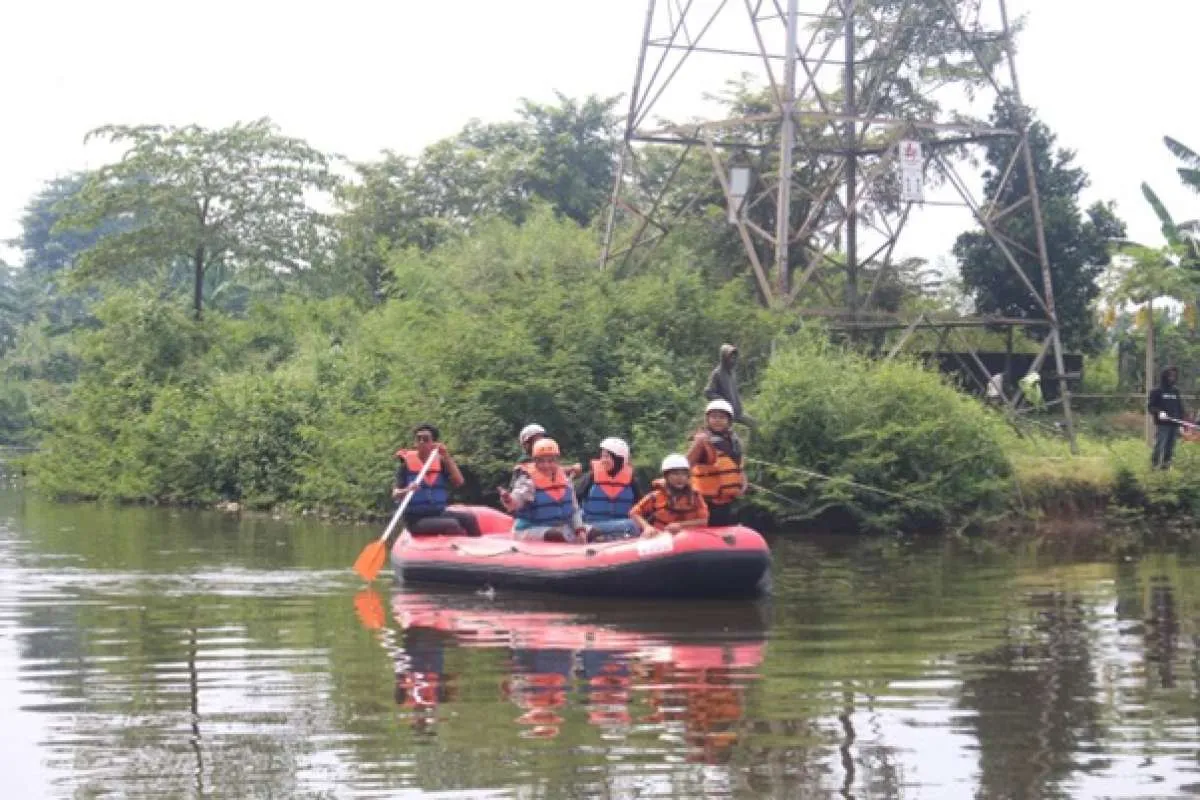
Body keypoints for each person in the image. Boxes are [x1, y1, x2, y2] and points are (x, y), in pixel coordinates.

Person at [393, 423, 481, 536]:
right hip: (416, 520)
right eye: (418, 439)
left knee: (469, 519)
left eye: (425, 439)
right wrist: (406, 490)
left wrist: (446, 455)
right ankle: (458, 550)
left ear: (433, 443)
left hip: (438, 513)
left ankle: (478, 549)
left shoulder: (441, 463)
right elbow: (395, 494)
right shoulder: (405, 466)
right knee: (452, 524)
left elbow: (459, 481)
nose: (421, 442)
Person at [499, 438, 587, 542]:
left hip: (561, 527)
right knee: (555, 535)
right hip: (530, 529)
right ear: (535, 461)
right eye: (541, 461)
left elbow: (574, 510)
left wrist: (579, 529)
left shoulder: (566, 481)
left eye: (550, 461)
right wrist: (508, 499)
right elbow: (517, 500)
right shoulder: (528, 481)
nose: (546, 465)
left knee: (593, 532)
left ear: (557, 461)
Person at [686, 399, 747, 527]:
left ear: (729, 421)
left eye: (722, 417)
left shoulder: (734, 441)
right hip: (706, 501)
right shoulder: (702, 440)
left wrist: (743, 483)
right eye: (714, 417)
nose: (717, 420)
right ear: (707, 420)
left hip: (728, 500)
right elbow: (686, 465)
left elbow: (738, 467)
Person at [577, 437, 643, 542]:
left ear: (619, 459)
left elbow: (641, 506)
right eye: (602, 456)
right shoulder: (591, 477)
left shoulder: (631, 481)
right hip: (592, 525)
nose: (603, 460)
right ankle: (601, 537)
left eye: (608, 457)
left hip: (621, 525)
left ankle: (606, 539)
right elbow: (575, 501)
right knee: (631, 525)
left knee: (634, 525)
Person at [631, 454, 709, 536]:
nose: (680, 478)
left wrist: (681, 525)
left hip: (688, 537)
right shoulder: (655, 496)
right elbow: (634, 513)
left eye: (684, 474)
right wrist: (647, 527)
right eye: (675, 474)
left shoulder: (695, 496)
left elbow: (704, 520)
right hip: (662, 537)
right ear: (666, 476)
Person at [703, 344, 755, 426]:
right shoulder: (717, 373)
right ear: (724, 358)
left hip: (737, 412)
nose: (732, 360)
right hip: (726, 414)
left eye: (734, 357)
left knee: (754, 423)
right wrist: (724, 401)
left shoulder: (731, 373)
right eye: (730, 357)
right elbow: (708, 392)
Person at [1148, 365, 1187, 469]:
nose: (1172, 378)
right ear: (1165, 376)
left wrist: (1181, 424)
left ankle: (1166, 467)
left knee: (1171, 447)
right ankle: (1154, 466)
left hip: (1174, 424)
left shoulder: (1175, 391)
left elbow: (1180, 408)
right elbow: (1151, 407)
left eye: (1174, 376)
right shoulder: (1156, 391)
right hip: (1163, 425)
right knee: (1160, 445)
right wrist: (1160, 412)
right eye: (1170, 376)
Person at [517, 423, 582, 479]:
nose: (542, 442)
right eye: (537, 440)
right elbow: (546, 471)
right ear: (527, 445)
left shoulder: (545, 457)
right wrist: (572, 469)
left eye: (543, 438)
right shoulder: (525, 460)